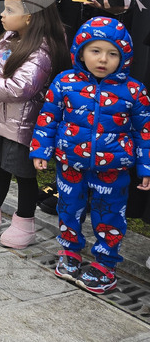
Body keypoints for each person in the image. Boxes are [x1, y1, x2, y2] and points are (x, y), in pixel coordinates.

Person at [31, 17, 150, 294]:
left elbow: (145, 132)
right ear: (80, 51)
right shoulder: (65, 82)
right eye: (95, 50)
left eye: (112, 53)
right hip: (70, 165)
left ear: (124, 57)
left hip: (113, 170)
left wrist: (146, 168)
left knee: (109, 217)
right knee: (69, 209)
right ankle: (70, 252)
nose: (103, 59)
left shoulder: (134, 91)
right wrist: (41, 149)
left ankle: (105, 264)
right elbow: (48, 118)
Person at [0, 0, 69, 249]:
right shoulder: (9, 38)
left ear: (30, 17)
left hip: (22, 125)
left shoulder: (42, 51)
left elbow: (21, 88)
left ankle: (24, 222)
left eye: (10, 10)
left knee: (24, 175)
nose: (2, 14)